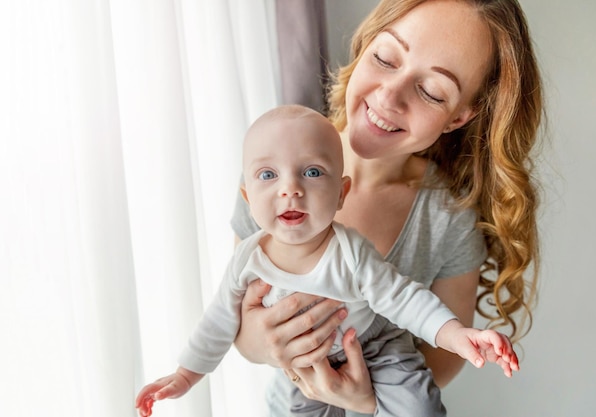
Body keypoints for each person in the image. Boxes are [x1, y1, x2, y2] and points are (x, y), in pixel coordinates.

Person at [232, 0, 544, 415]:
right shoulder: (273, 169)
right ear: (365, 45)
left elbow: (446, 358)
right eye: (385, 58)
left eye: (432, 92)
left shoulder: (448, 218)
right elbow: (237, 312)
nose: (389, 96)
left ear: (458, 118)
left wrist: (367, 402)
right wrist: (253, 343)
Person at [135, 105, 520, 417]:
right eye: (268, 175)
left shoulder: (349, 250)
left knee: (419, 408)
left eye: (313, 172)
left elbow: (402, 298)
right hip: (304, 370)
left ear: (341, 194)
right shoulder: (248, 259)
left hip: (374, 347)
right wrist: (185, 376)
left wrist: (456, 335)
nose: (290, 188)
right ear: (248, 199)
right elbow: (221, 319)